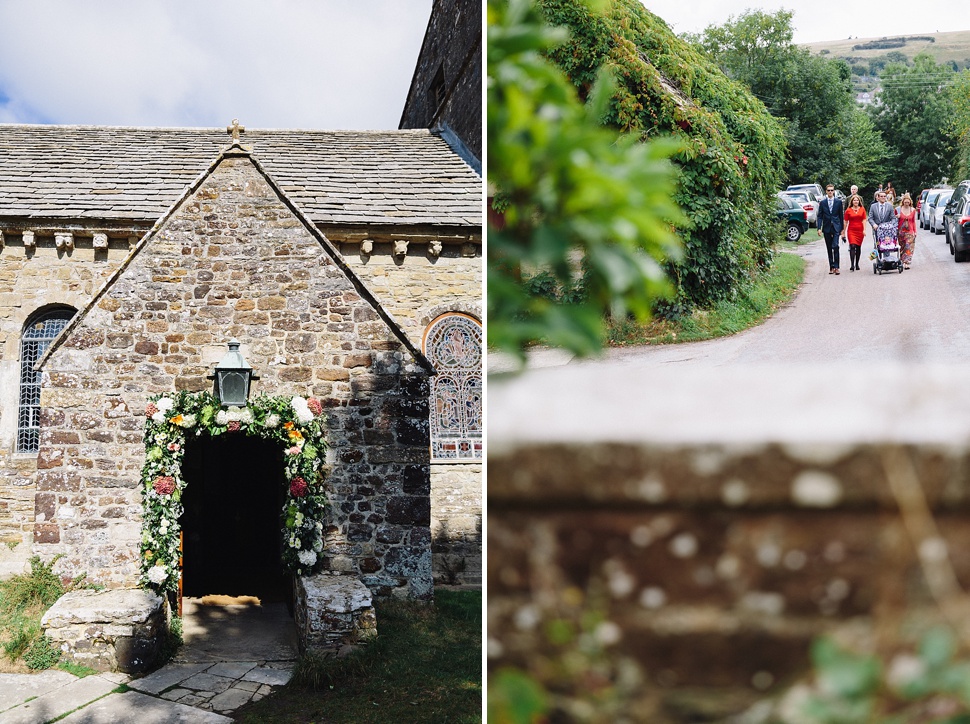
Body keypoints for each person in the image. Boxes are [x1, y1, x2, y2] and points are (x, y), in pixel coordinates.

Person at [817, 184, 844, 274]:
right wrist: (819, 228)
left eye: (832, 190)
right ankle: (831, 266)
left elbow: (841, 216)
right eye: (828, 190)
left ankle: (837, 266)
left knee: (835, 246)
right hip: (827, 227)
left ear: (834, 191)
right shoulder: (823, 202)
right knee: (829, 247)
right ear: (826, 191)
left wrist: (842, 228)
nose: (830, 192)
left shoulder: (838, 202)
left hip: (836, 226)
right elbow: (820, 216)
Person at [840, 194, 867, 271]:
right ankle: (852, 264)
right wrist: (843, 232)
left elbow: (864, 220)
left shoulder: (862, 209)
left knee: (858, 247)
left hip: (860, 230)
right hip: (851, 230)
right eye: (854, 200)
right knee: (852, 246)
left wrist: (864, 230)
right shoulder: (848, 210)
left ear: (859, 201)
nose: (856, 201)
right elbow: (845, 222)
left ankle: (857, 264)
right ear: (852, 201)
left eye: (857, 200)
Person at [869, 190, 898, 257]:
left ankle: (886, 260)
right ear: (878, 198)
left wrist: (891, 225)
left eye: (884, 196)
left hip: (887, 229)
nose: (883, 197)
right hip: (877, 229)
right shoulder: (873, 206)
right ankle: (878, 260)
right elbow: (870, 218)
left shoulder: (889, 206)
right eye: (881, 196)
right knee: (878, 244)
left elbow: (893, 217)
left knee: (886, 243)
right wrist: (874, 224)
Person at [896, 193, 917, 268]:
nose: (907, 204)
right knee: (902, 247)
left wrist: (915, 231)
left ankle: (907, 262)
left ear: (910, 202)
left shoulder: (913, 210)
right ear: (903, 202)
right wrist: (897, 217)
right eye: (905, 202)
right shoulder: (898, 209)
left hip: (910, 231)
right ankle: (902, 260)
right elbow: (894, 221)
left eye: (908, 202)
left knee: (909, 246)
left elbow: (913, 221)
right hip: (901, 232)